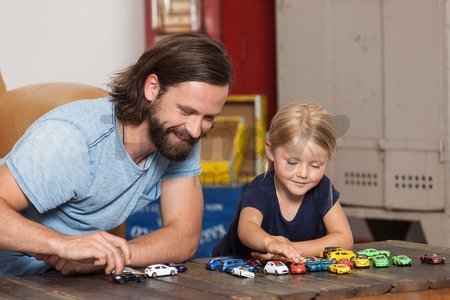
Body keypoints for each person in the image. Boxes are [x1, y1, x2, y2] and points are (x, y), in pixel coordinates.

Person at [0, 32, 233, 276]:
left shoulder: (178, 137)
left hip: (68, 277)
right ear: (152, 88)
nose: (196, 130)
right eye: (186, 110)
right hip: (11, 275)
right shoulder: (72, 139)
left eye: (209, 118)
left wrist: (110, 256)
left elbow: (184, 237)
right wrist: (62, 244)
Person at [212, 102, 353, 261]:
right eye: (292, 163)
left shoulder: (322, 188)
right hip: (227, 268)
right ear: (271, 151)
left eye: (315, 165)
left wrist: (289, 249)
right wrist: (269, 242)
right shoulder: (260, 189)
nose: (303, 173)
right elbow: (247, 228)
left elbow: (345, 238)